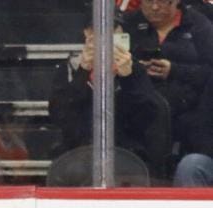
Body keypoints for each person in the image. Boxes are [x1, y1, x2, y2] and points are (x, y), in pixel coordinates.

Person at [49, 23, 172, 178]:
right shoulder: (69, 69)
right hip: (79, 155)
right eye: (97, 32)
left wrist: (128, 78)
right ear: (87, 34)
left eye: (113, 33)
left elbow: (151, 118)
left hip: (129, 154)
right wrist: (83, 72)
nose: (105, 39)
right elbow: (59, 116)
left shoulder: (136, 69)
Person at [123, 0, 213, 150]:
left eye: (163, 1)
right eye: (148, 1)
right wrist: (135, 68)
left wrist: (174, 70)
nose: (155, 7)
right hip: (135, 101)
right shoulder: (128, 23)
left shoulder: (199, 25)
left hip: (187, 107)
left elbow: (209, 72)